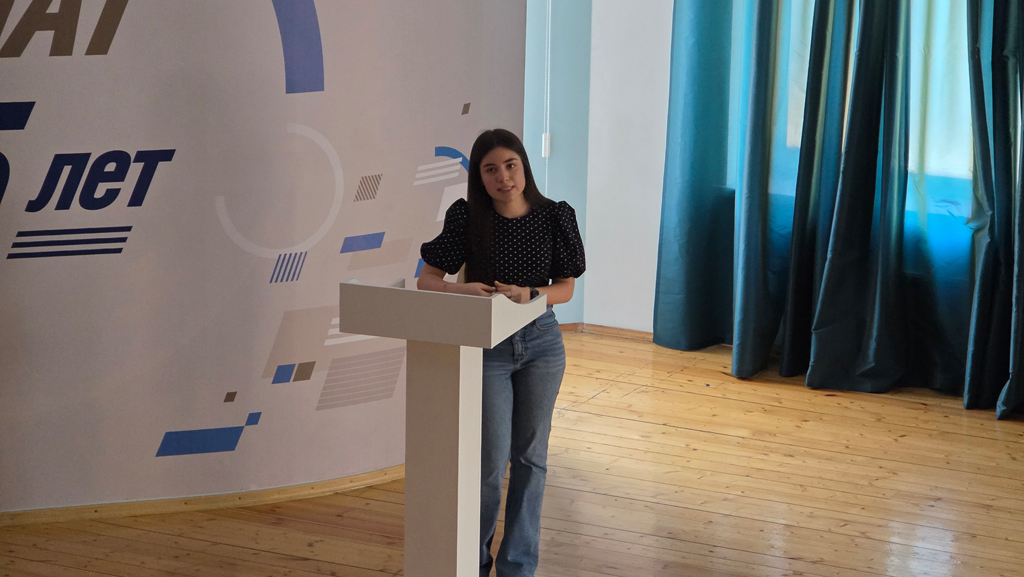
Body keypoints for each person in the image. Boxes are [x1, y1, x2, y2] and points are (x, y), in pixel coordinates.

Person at [417, 128, 585, 576]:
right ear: (479, 177)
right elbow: (426, 279)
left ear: (524, 166)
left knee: (531, 459)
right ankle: (472, 564)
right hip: (487, 346)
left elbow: (565, 288)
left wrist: (530, 294)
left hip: (542, 344)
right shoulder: (467, 217)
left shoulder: (555, 215)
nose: (503, 177)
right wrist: (461, 290)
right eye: (490, 169)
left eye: (510, 165)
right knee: (488, 463)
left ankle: (518, 566)